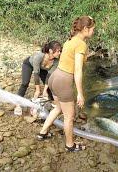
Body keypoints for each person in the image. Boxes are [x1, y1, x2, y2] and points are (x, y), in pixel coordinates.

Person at [37, 16, 95, 152]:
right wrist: (80, 93)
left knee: (58, 108)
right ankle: (70, 145)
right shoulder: (81, 44)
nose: (93, 32)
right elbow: (78, 70)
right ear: (85, 29)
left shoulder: (70, 40)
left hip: (54, 77)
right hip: (63, 81)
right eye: (92, 29)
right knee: (69, 117)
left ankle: (43, 132)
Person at [14, 41, 62, 115]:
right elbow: (36, 73)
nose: (59, 53)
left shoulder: (56, 61)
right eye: (58, 51)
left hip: (42, 69)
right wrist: (37, 90)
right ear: (50, 51)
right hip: (29, 64)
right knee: (25, 83)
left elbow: (49, 75)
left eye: (60, 51)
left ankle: (52, 102)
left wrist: (45, 90)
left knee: (50, 84)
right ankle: (17, 105)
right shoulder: (39, 56)